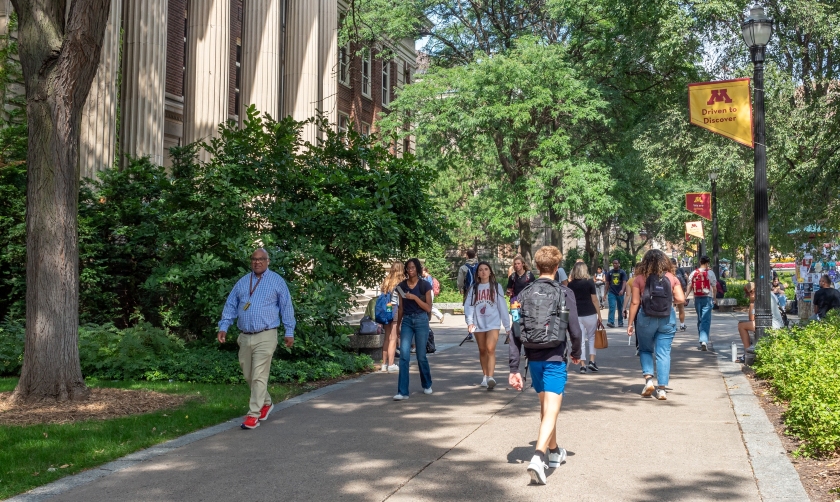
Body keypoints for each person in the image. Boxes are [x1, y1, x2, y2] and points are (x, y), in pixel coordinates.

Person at [508, 245, 582, 485]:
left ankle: (554, 451)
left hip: (533, 358)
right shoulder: (564, 292)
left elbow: (515, 332)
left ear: (537, 267)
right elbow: (575, 330)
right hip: (554, 357)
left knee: (545, 407)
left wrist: (513, 368)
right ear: (557, 268)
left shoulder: (524, 293)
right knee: (552, 409)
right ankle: (538, 457)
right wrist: (577, 353)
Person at [217, 248, 296, 430]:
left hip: (267, 334)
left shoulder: (277, 281)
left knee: (260, 375)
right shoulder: (243, 282)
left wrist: (289, 331)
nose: (257, 262)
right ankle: (266, 402)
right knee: (249, 375)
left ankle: (253, 415)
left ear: (268, 261)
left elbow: (286, 307)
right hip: (245, 336)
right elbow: (231, 305)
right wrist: (224, 326)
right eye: (254, 259)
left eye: (261, 259)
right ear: (250, 261)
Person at [626, 249, 684, 401]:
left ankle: (649, 381)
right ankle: (662, 390)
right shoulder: (672, 278)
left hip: (646, 318)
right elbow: (681, 298)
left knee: (645, 349)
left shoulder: (639, 278)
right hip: (667, 318)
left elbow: (635, 302)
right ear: (665, 261)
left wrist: (630, 323)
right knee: (663, 353)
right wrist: (668, 300)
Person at [393, 258, 435, 400]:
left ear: (417, 268)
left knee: (421, 356)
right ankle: (402, 392)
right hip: (407, 320)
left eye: (412, 267)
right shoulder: (401, 286)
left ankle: (427, 384)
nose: (410, 270)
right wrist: (398, 325)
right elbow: (401, 308)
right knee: (404, 355)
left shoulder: (425, 285)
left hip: (421, 319)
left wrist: (415, 298)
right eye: (408, 268)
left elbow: (428, 307)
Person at [465, 262, 511, 390]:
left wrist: (507, 326)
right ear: (478, 273)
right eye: (481, 270)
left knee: (490, 349)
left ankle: (491, 377)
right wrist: (470, 322)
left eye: (486, 269)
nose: (483, 272)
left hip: (493, 323)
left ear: (490, 272)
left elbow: (502, 306)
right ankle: (485, 376)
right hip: (478, 323)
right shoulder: (473, 288)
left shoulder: (496, 287)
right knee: (482, 350)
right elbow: (469, 307)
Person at [567, 262, 602, 374]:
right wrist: (599, 315)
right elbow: (594, 300)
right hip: (590, 313)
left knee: (580, 339)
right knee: (592, 337)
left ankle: (582, 365)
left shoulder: (571, 284)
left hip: (577, 315)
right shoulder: (590, 282)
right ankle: (592, 361)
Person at [739, 282, 784, 360]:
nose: (749, 296)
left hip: (772, 325)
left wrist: (752, 302)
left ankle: (748, 354)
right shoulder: (769, 294)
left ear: (752, 291)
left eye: (749, 294)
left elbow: (751, 318)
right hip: (777, 324)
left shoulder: (759, 299)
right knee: (746, 325)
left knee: (741, 325)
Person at [685, 255, 717, 351]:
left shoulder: (694, 273)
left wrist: (685, 297)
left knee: (700, 319)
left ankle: (701, 340)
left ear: (700, 262)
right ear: (707, 263)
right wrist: (714, 298)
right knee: (705, 320)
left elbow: (689, 286)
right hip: (707, 298)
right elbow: (714, 287)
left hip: (697, 298)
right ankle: (704, 340)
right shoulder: (710, 273)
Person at [378, 262, 404, 373]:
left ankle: (383, 364)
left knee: (387, 338)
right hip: (394, 309)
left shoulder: (386, 281)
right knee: (393, 338)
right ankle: (391, 364)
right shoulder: (400, 283)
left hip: (386, 309)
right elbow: (403, 297)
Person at [506, 254, 536, 341]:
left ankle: (528, 343)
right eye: (515, 264)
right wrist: (508, 293)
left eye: (518, 263)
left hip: (527, 302)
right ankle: (516, 340)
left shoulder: (529, 275)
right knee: (516, 322)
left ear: (523, 264)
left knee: (527, 322)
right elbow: (509, 289)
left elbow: (534, 288)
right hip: (515, 302)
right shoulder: (513, 276)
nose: (517, 265)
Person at [457, 250, 480, 342]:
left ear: (467, 256)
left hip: (469, 291)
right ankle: (479, 330)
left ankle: (471, 333)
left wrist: (460, 289)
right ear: (474, 256)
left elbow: (460, 280)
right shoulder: (479, 266)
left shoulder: (463, 267)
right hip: (479, 290)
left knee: (469, 311)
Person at [606, 259, 627, 328]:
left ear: (619, 264)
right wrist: (604, 294)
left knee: (620, 307)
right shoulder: (610, 273)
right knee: (612, 307)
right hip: (612, 292)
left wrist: (622, 290)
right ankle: (611, 321)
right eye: (613, 263)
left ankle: (620, 321)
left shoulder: (622, 272)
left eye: (616, 263)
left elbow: (624, 282)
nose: (615, 265)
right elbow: (607, 283)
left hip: (620, 293)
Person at [671, 258, 687, 331]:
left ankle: (674, 325)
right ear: (676, 263)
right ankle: (682, 325)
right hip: (680, 290)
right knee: (681, 308)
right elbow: (686, 277)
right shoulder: (680, 270)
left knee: (673, 308)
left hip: (671, 291)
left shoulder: (668, 271)